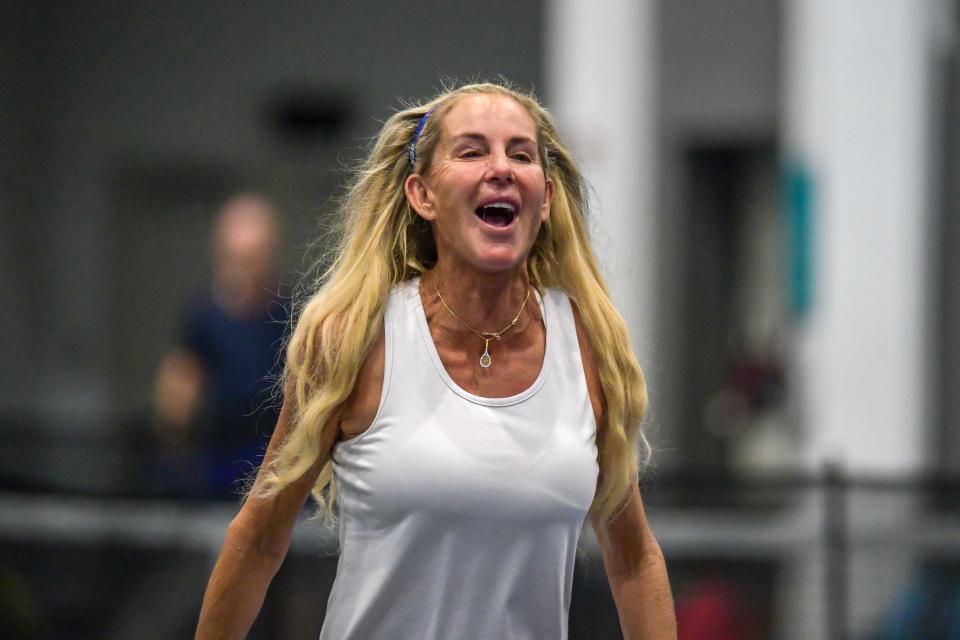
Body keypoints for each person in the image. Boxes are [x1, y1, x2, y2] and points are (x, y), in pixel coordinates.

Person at [195, 82, 676, 639]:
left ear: (544, 200)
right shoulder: (355, 338)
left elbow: (635, 561)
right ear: (422, 196)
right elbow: (259, 539)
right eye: (472, 151)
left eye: (521, 154)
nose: (501, 168)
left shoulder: (587, 345)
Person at [153, 193, 288, 498]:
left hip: (277, 466)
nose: (246, 270)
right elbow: (177, 396)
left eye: (255, 258)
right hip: (217, 466)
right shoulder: (203, 319)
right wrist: (177, 457)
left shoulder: (291, 315)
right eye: (239, 259)